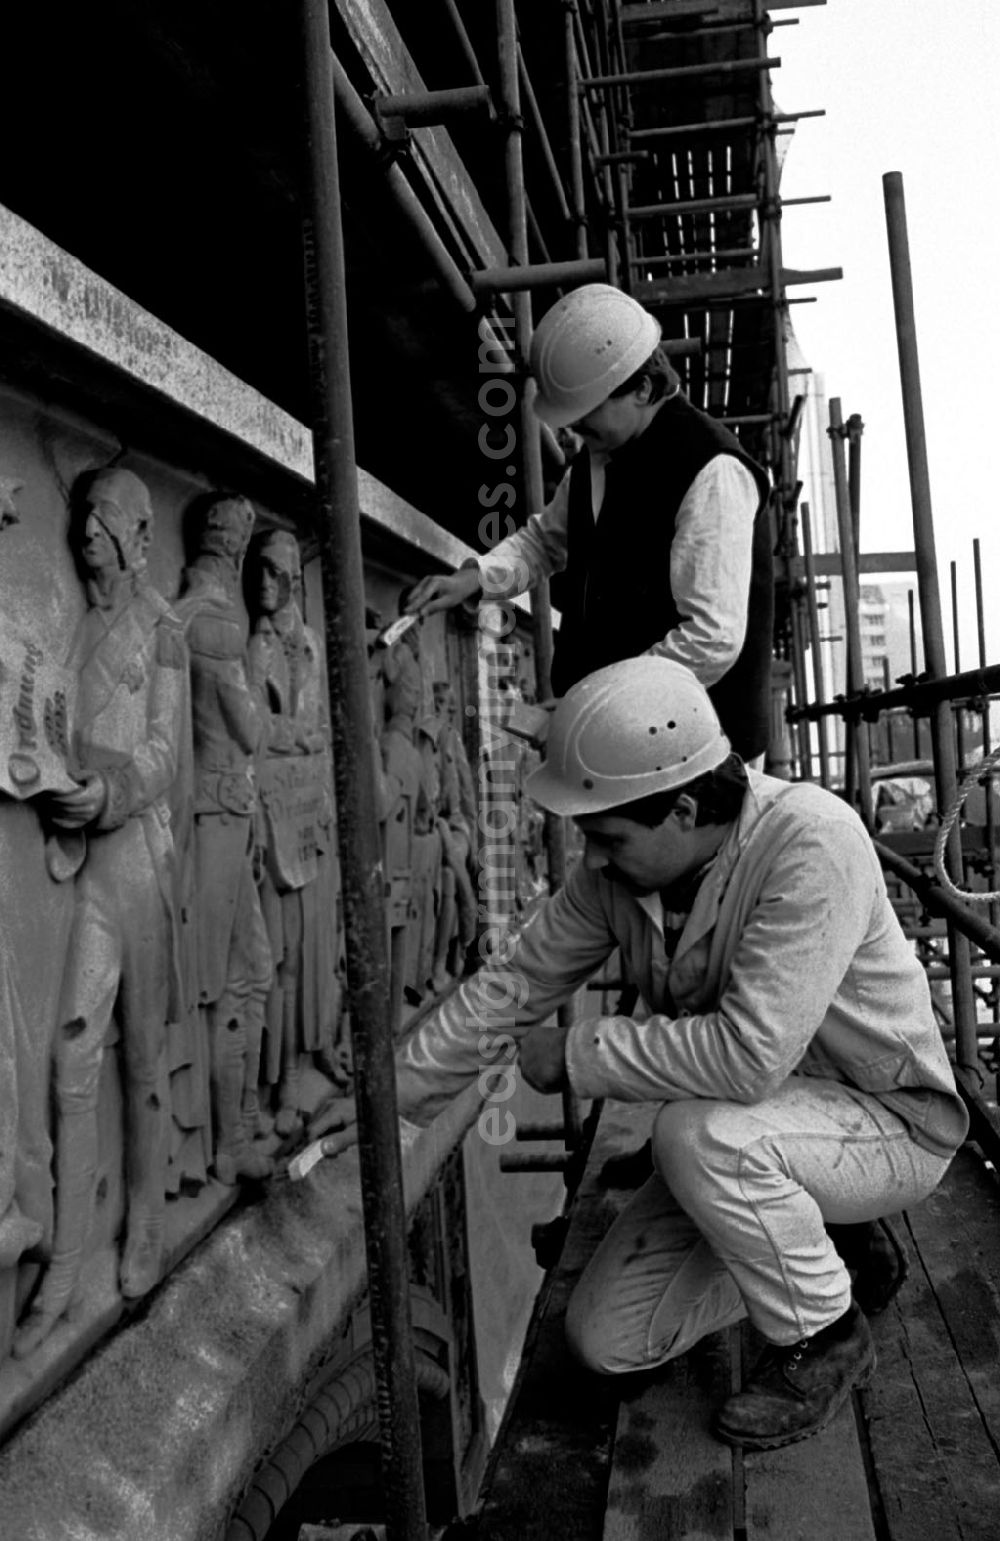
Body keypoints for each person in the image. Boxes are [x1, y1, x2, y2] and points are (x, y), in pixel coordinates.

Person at [310, 655, 968, 1449]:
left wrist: (580, 1054)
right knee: (606, 1342)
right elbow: (514, 984)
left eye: (606, 835)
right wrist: (387, 1098)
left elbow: (747, 1057)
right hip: (764, 1131)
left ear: (684, 808)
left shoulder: (812, 840)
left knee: (691, 1134)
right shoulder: (619, 877)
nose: (589, 856)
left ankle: (827, 1336)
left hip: (882, 1125)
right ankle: (826, 1239)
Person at [404, 283, 774, 761]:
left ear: (642, 387)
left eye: (587, 414)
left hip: (699, 752)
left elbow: (711, 639)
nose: (573, 431)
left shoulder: (711, 470)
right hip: (623, 737)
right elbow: (544, 542)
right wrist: (475, 578)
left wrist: (601, 705)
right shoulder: (599, 457)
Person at [13, 468, 189, 1357]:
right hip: (82, 865)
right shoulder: (80, 626)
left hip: (137, 862)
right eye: (80, 519)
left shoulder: (162, 631)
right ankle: (68, 1261)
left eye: (101, 521)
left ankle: (148, 1218)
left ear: (135, 533)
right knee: (73, 1055)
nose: (85, 532)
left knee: (144, 1053)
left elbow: (165, 751)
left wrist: (108, 791)